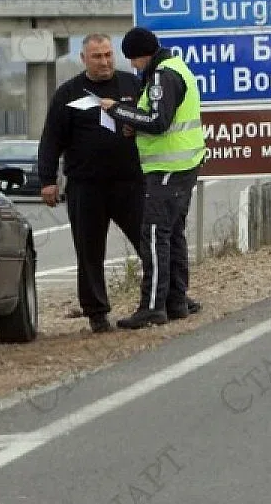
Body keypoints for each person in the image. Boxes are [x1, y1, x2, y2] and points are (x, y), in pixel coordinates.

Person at [99, 26, 207, 329]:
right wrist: (135, 120)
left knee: (156, 233)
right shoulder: (175, 68)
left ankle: (152, 307)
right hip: (183, 164)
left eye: (133, 60)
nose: (132, 66)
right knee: (173, 233)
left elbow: (158, 122)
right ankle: (176, 301)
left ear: (141, 54)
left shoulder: (162, 76)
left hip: (168, 169)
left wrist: (118, 110)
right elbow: (156, 117)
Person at [37, 33, 144, 334]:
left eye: (108, 54)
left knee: (149, 243)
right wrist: (47, 180)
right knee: (89, 253)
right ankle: (97, 313)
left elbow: (153, 121)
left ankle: (158, 300)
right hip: (86, 185)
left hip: (130, 182)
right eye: (97, 56)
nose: (104, 61)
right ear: (84, 59)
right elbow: (51, 140)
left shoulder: (132, 85)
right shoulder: (68, 93)